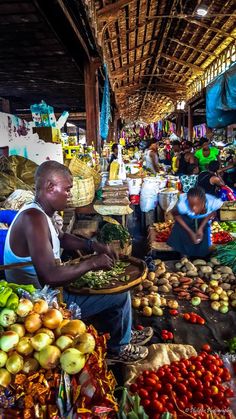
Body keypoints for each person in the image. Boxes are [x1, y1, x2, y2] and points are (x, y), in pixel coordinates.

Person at [4, 161, 152, 364]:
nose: (70, 195)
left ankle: (122, 333)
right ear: (50, 187)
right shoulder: (33, 219)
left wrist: (93, 246)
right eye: (67, 189)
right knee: (119, 293)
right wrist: (92, 263)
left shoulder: (41, 212)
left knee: (110, 286)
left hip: (45, 292)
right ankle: (118, 348)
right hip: (38, 307)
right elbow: (50, 276)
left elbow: (61, 237)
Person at [167, 186, 223, 257]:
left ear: (203, 201)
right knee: (183, 236)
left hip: (203, 218)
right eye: (191, 205)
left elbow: (211, 213)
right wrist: (190, 232)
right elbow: (175, 214)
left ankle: (202, 257)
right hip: (185, 219)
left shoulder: (213, 202)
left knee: (204, 241)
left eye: (197, 205)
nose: (193, 208)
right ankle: (184, 256)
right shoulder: (183, 204)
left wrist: (201, 228)